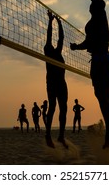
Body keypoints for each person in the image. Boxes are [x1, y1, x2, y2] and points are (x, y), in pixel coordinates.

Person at [70, 0, 109, 148]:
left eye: (93, 3)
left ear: (96, 7)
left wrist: (77, 47)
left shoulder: (98, 16)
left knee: (101, 94)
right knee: (104, 95)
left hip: (100, 59)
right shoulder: (98, 16)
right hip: (104, 58)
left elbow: (89, 43)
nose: (90, 3)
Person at [44, 10, 68, 148]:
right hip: (52, 82)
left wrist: (59, 23)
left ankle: (60, 137)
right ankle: (47, 135)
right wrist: (50, 21)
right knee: (52, 107)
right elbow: (49, 36)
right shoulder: (48, 50)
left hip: (61, 83)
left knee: (63, 108)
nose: (52, 43)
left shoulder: (57, 51)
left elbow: (61, 38)